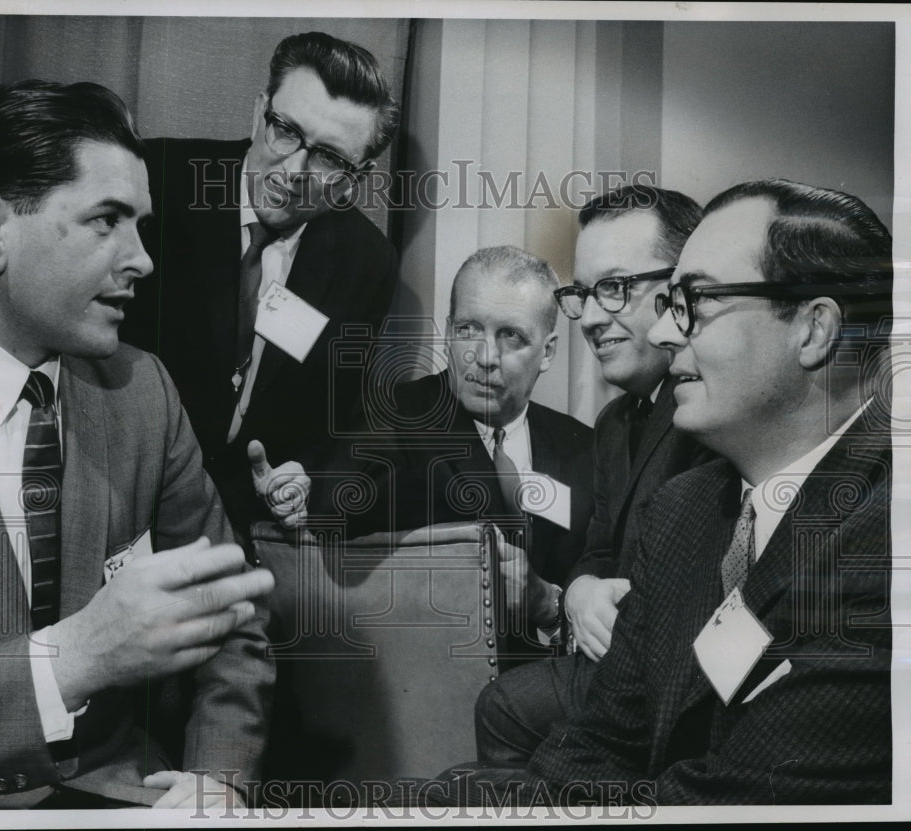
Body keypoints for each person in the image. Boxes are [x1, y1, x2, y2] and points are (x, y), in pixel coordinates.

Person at [425, 179, 893, 805]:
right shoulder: (682, 509)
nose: (668, 332)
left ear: (813, 330)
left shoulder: (888, 543)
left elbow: (725, 804)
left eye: (694, 299)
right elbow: (594, 746)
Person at [0, 79, 305, 809]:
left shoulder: (142, 392)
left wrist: (216, 775)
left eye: (141, 224)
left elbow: (235, 617)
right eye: (107, 220)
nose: (143, 259)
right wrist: (79, 655)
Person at [121, 31, 401, 535]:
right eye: (286, 130)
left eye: (330, 159)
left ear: (355, 178)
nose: (294, 170)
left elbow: (340, 416)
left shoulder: (368, 261)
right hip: (119, 499)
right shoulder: (154, 183)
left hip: (244, 527)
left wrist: (309, 480)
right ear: (258, 113)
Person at [474, 186, 711, 762]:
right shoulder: (613, 422)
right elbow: (598, 550)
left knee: (504, 707)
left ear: (683, 289)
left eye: (616, 288)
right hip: (614, 661)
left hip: (673, 677)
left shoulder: (710, 409)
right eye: (584, 292)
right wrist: (579, 591)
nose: (593, 317)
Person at [317, 245, 596, 665]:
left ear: (549, 351)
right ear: (448, 332)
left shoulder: (584, 446)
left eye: (512, 336)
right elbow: (335, 506)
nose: (484, 358)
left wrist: (547, 603)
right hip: (436, 687)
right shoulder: (395, 415)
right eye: (468, 330)